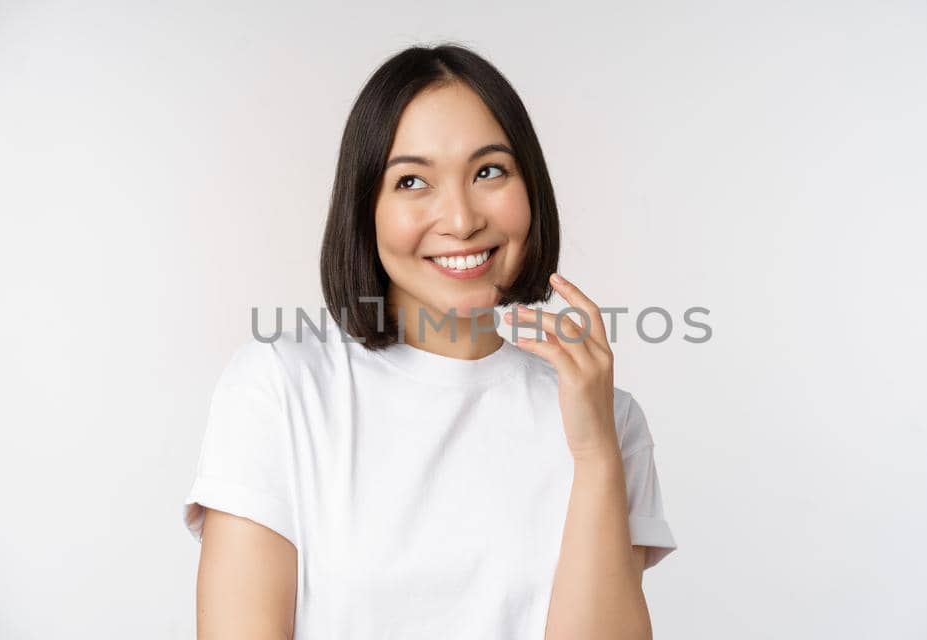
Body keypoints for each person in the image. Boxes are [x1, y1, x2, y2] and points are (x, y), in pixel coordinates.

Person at [181, 43, 677, 639]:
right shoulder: (282, 390)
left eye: (489, 171)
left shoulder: (611, 420)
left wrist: (595, 456)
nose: (462, 219)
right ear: (366, 207)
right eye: (413, 181)